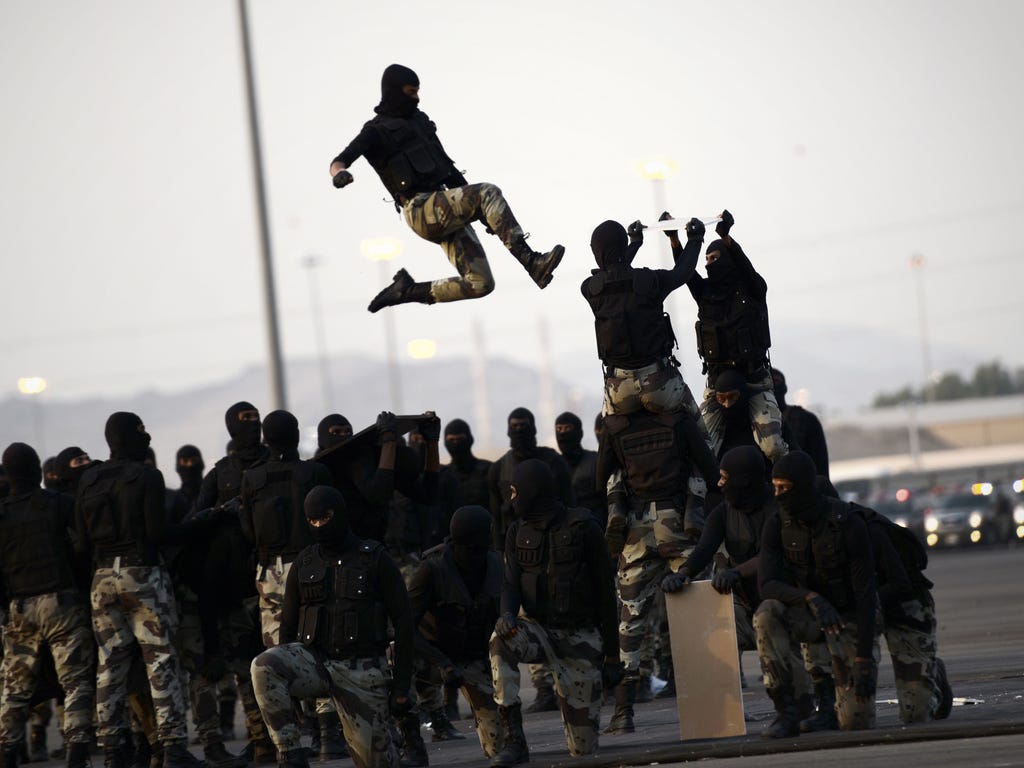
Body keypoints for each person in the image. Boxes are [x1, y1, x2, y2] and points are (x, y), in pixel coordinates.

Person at [329, 64, 564, 312]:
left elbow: (448, 170)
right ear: (394, 92)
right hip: (420, 210)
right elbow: (339, 161)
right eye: (410, 92)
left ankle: (406, 290)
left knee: (480, 283)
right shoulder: (375, 131)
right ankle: (531, 261)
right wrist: (339, 174)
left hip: (443, 204)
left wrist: (485, 213)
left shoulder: (419, 122)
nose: (416, 98)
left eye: (417, 92)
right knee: (488, 191)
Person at [250, 485, 414, 768]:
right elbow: (287, 626)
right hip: (317, 663)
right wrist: (290, 694)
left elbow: (404, 622)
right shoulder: (305, 562)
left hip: (361, 669)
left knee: (378, 763)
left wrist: (401, 686)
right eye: (312, 521)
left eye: (324, 518)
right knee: (263, 665)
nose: (318, 526)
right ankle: (290, 755)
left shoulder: (374, 558)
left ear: (339, 514)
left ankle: (399, 743)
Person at [73, 412, 201, 768]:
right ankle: (173, 747)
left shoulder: (88, 480)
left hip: (102, 577)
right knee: (160, 660)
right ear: (130, 435)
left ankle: (113, 750)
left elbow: (81, 543)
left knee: (109, 664)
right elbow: (158, 533)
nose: (147, 436)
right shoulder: (147, 476)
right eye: (142, 430)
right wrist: (196, 525)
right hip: (143, 573)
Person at [488, 461, 621, 767]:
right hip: (538, 631)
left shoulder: (584, 527)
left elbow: (605, 594)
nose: (511, 500)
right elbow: (510, 583)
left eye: (515, 492)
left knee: (582, 751)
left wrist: (613, 657)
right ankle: (515, 740)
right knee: (501, 640)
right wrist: (506, 614)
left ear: (532, 492)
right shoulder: (516, 532)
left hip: (580, 636)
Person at [596, 408, 719, 733]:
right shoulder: (678, 418)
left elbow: (600, 477)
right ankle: (716, 707)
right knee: (701, 614)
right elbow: (710, 469)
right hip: (678, 520)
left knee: (631, 619)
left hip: (635, 528)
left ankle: (623, 712)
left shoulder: (615, 427)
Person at [754, 451, 879, 737]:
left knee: (856, 723)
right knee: (767, 613)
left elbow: (865, 595)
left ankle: (836, 705)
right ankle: (789, 710)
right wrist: (811, 598)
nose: (778, 495)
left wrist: (864, 659)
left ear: (802, 487)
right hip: (811, 615)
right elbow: (767, 585)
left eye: (784, 488)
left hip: (848, 618)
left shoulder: (848, 523)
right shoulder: (777, 523)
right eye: (775, 487)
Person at [0, 443, 95, 768]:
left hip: (20, 608)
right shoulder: (59, 504)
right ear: (37, 469)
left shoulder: (2, 513)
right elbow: (83, 550)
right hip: (62, 603)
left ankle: (7, 753)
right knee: (76, 681)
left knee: (15, 688)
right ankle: (77, 753)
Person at [194, 402, 276, 763]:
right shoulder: (220, 474)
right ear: (231, 427)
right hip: (237, 586)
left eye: (256, 418)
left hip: (274, 578)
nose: (254, 424)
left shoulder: (276, 462)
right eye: (245, 420)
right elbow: (196, 520)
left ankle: (291, 733)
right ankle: (261, 740)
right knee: (246, 668)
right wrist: (222, 513)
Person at [661, 445, 777, 686]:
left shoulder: (778, 509)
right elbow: (704, 550)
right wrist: (683, 574)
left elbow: (771, 555)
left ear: (743, 481)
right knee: (711, 632)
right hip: (744, 603)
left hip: (780, 602)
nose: (720, 483)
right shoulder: (723, 513)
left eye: (725, 477)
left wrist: (736, 572)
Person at [681, 211, 787, 463]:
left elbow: (746, 267)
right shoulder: (706, 294)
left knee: (773, 447)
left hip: (754, 380)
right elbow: (686, 274)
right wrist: (676, 240)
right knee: (702, 453)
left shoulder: (752, 288)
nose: (709, 264)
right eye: (706, 260)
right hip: (718, 386)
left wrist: (726, 237)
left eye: (715, 258)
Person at [581, 216, 705, 419]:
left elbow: (612, 274)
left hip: (618, 390)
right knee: (698, 426)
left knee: (607, 432)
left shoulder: (590, 289)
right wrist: (695, 238)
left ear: (598, 252)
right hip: (659, 385)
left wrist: (635, 243)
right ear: (622, 246)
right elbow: (683, 272)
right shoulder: (650, 281)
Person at [407, 506, 501, 755]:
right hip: (430, 656)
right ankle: (410, 736)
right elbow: (405, 627)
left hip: (470, 659)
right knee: (396, 663)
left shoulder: (495, 565)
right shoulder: (432, 569)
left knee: (498, 743)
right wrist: (442, 663)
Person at [855, 503, 952, 724]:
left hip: (902, 607)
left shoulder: (867, 530)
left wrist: (867, 602)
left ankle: (933, 675)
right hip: (856, 611)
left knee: (916, 714)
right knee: (853, 719)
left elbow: (902, 584)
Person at [771, 368, 830, 479]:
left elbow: (821, 466)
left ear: (784, 388)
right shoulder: (752, 423)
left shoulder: (807, 419)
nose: (773, 386)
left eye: (776, 382)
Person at [437, 419, 491, 539]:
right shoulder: (442, 476)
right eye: (451, 440)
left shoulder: (488, 471)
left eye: (460, 439)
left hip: (485, 537)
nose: (456, 444)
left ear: (469, 439)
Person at [554, 412, 607, 531]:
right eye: (559, 429)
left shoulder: (596, 461)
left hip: (595, 529)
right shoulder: (553, 465)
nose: (563, 433)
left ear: (579, 433)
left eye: (568, 428)